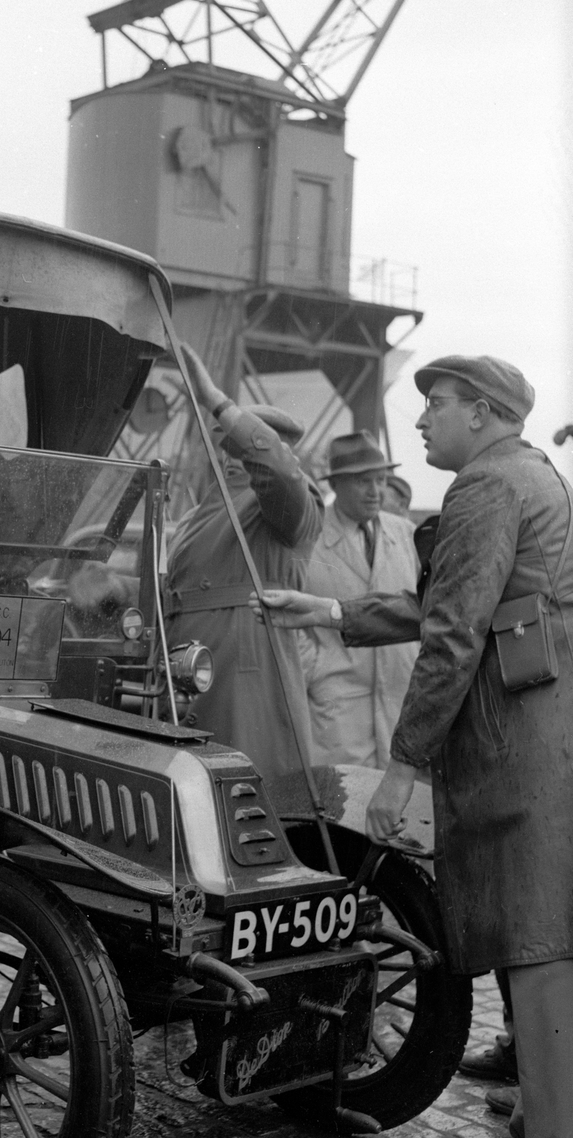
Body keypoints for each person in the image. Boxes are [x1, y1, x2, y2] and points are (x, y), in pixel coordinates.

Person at [255, 356, 573, 1138]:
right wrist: (330, 607)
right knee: (540, 929)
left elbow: (453, 633)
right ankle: (542, 1105)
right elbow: (449, 601)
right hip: (543, 730)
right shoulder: (532, 473)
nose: (423, 418)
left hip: (516, 743)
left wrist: (403, 768)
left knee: (534, 936)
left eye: (437, 403)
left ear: (483, 410)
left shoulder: (488, 485)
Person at [164, 344, 324, 778]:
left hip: (247, 681)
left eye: (241, 442)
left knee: (246, 801)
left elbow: (277, 474)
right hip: (191, 679)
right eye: (224, 441)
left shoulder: (290, 504)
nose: (229, 452)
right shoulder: (200, 514)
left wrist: (218, 402)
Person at [299, 431, 419, 768]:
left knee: (401, 812)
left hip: (401, 704)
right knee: (342, 807)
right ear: (336, 484)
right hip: (337, 709)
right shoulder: (309, 538)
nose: (375, 491)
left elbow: (427, 607)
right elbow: (287, 614)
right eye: (363, 481)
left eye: (381, 480)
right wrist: (317, 670)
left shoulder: (405, 534)